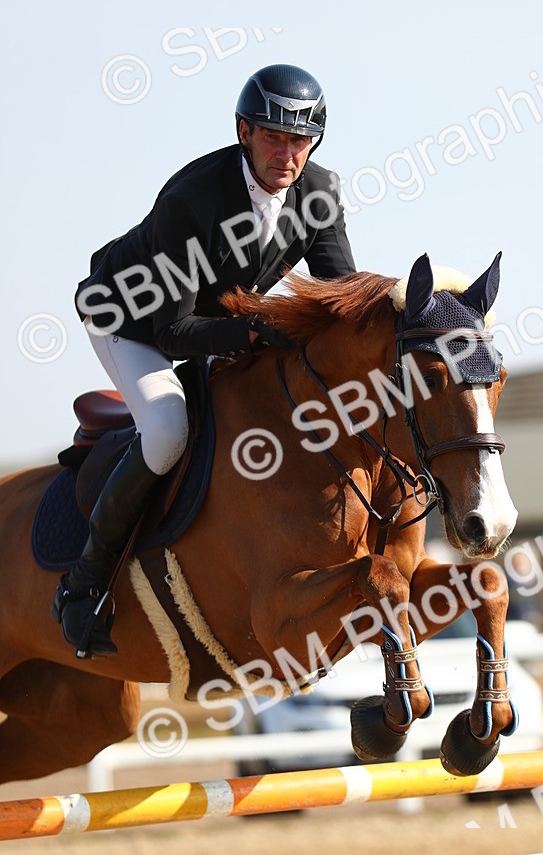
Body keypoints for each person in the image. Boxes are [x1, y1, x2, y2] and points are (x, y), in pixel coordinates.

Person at [53, 64, 356, 658]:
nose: (287, 155)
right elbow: (174, 330)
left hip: (213, 321)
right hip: (131, 319)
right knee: (168, 430)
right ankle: (84, 585)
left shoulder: (318, 192)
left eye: (300, 140)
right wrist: (261, 329)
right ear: (244, 131)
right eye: (274, 136)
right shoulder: (193, 197)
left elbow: (338, 299)